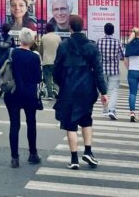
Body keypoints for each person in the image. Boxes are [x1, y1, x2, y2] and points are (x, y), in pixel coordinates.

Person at [53, 15, 108, 170]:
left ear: (70, 27)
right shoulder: (91, 46)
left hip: (69, 88)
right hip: (86, 87)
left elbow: (57, 69)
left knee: (70, 125)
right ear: (83, 26)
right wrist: (103, 91)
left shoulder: (64, 45)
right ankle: (88, 151)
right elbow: (98, 70)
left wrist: (61, 83)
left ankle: (74, 158)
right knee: (86, 119)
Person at [3, 28, 43, 168]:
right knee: (31, 123)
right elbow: (38, 78)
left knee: (14, 125)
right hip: (29, 94)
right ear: (32, 41)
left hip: (13, 92)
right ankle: (33, 153)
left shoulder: (13, 53)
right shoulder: (35, 57)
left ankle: (15, 158)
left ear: (20, 39)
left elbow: (1, 67)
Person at [96, 22, 125, 120]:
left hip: (102, 69)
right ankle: (112, 110)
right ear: (113, 31)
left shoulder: (99, 41)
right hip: (114, 70)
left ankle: (105, 109)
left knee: (103, 91)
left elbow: (96, 55)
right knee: (113, 90)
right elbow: (122, 56)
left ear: (104, 30)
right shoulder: (117, 42)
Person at [39, 29, 61, 99]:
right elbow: (61, 49)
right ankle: (56, 91)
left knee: (48, 78)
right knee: (56, 77)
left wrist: (42, 58)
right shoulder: (58, 38)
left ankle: (50, 94)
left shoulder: (43, 37)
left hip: (46, 61)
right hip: (56, 61)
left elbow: (40, 50)